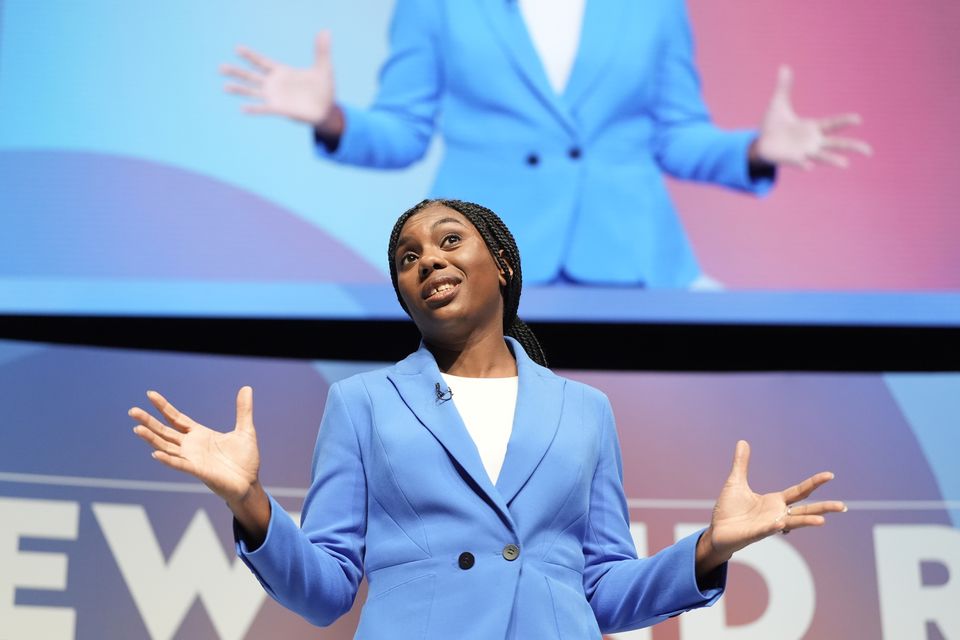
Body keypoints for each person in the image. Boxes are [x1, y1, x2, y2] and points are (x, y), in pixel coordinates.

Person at [129, 198, 846, 638]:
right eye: (407, 258)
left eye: (448, 240)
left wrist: (708, 549)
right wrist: (251, 504)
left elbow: (603, 592)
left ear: (500, 263)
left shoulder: (585, 412)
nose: (427, 261)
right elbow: (325, 592)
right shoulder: (364, 403)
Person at [220, 0, 871, 288]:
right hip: (487, 265)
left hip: (634, 261)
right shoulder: (436, 4)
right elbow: (402, 133)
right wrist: (331, 118)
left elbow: (677, 136)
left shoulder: (653, 5)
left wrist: (755, 150)